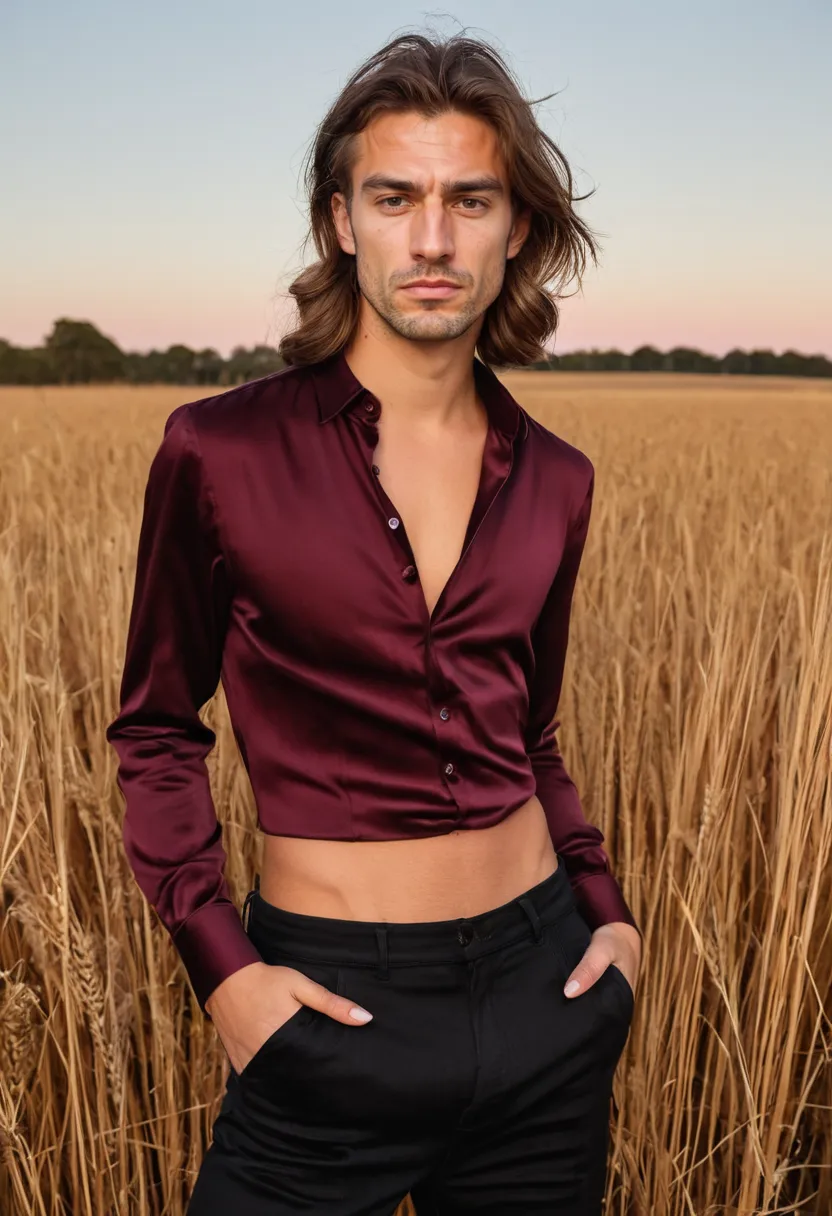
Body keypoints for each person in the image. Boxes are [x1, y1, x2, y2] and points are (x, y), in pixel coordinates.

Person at [106, 29, 642, 1216]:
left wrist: (606, 921)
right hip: (328, 1011)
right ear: (342, 220)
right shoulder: (219, 450)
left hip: (546, 997)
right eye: (395, 197)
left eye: (471, 199)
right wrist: (225, 976)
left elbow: (531, 735)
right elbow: (153, 726)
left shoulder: (558, 478)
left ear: (518, 229)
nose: (434, 238)